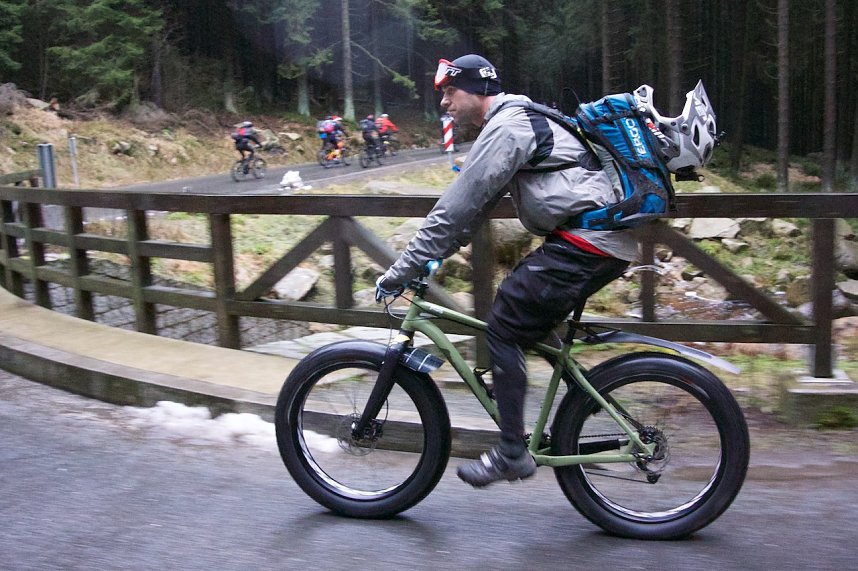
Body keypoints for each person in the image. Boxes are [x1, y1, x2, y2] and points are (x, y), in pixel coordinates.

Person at [374, 54, 640, 488]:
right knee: (520, 315)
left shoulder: (507, 127)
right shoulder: (516, 120)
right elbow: (473, 210)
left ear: (477, 90)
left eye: (448, 91)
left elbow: (456, 206)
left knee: (504, 325)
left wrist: (401, 271)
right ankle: (575, 402)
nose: (443, 102)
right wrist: (436, 255)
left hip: (590, 241)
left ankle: (513, 452)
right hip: (592, 238)